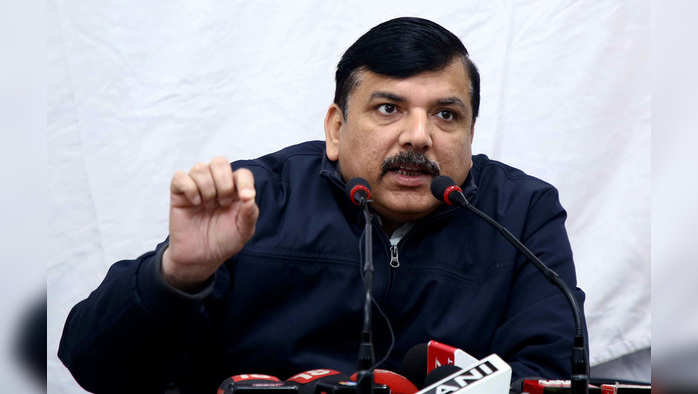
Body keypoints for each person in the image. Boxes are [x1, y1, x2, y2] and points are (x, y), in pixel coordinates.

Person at [59, 17, 586, 393]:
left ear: (471, 130)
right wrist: (178, 273)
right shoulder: (257, 200)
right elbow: (95, 367)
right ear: (336, 129)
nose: (419, 136)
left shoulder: (521, 213)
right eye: (388, 108)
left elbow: (547, 372)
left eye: (447, 115)